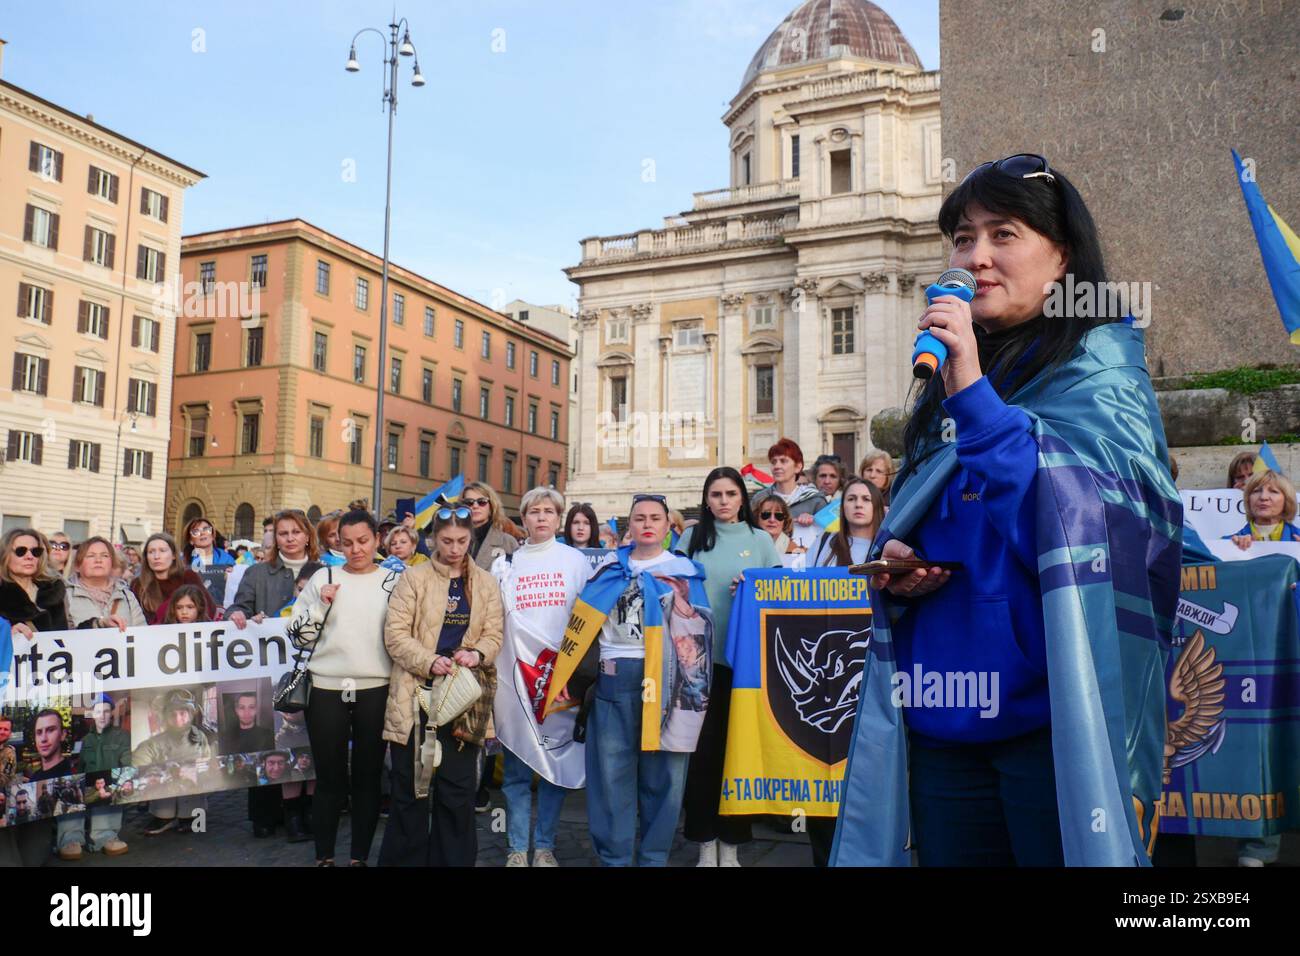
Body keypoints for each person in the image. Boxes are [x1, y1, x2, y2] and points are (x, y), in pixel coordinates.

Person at [835, 154, 1181, 868]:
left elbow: (1103, 531)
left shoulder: (1100, 368)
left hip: (1053, 723)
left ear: (1061, 259)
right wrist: (906, 560)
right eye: (963, 238)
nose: (977, 258)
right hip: (942, 719)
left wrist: (973, 394)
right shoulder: (948, 388)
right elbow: (954, 518)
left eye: (1004, 234)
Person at [561, 494, 712, 866]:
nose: (647, 523)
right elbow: (582, 628)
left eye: (655, 518)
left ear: (667, 526)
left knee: (664, 781)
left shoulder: (685, 573)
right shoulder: (608, 569)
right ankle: (614, 860)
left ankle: (653, 859)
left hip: (669, 685)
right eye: (639, 517)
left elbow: (700, 640)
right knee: (611, 781)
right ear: (629, 526)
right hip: (615, 682)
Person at [379, 506, 503, 867]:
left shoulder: (486, 582)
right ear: (433, 539)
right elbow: (395, 635)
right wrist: (428, 659)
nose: (454, 548)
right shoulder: (413, 578)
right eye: (447, 541)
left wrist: (477, 653)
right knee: (411, 789)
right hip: (414, 695)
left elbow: (494, 633)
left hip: (463, 698)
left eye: (462, 541)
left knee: (458, 791)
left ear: (471, 539)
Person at [678, 468, 781, 867]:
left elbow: (779, 590)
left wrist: (752, 586)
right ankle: (705, 842)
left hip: (745, 664)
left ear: (743, 499)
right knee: (703, 757)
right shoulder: (691, 538)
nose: (723, 500)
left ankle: (732, 845)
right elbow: (674, 588)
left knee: (739, 754)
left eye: (730, 493)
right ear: (707, 500)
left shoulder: (760, 540)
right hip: (699, 665)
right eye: (716, 494)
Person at [285, 509, 397, 866]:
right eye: (346, 543)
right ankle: (324, 856)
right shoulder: (323, 577)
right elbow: (296, 636)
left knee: (367, 777)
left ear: (378, 539)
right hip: (327, 688)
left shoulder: (394, 581)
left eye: (363, 541)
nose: (356, 549)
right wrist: (320, 604)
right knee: (329, 777)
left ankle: (359, 857)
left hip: (376, 688)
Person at [490, 487, 592, 867]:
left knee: (554, 765)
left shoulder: (576, 561)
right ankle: (517, 847)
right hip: (516, 680)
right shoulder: (506, 565)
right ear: (524, 518)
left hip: (560, 678)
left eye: (549, 511)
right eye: (534, 511)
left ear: (559, 517)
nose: (542, 518)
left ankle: (544, 845)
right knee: (516, 766)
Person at [228, 509, 320, 839]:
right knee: (272, 742)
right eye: (283, 533)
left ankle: (306, 812)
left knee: (309, 743)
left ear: (307, 535)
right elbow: (238, 607)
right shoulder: (257, 572)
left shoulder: (325, 571)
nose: (291, 538)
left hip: (315, 671)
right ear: (275, 538)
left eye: (296, 531)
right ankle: (269, 815)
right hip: (270, 671)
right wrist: (239, 615)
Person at [61, 696, 130, 858]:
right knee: (70, 793)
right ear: (93, 714)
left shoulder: (122, 736)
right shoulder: (86, 740)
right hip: (87, 783)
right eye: (99, 711)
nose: (102, 715)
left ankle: (106, 836)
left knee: (110, 791)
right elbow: (80, 766)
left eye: (106, 711)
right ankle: (71, 839)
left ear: (111, 713)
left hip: (109, 784)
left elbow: (127, 761)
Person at [750, 439, 824, 550]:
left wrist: (815, 519)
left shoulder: (815, 500)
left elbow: (828, 533)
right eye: (774, 462)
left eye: (783, 461)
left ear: (798, 467)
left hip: (804, 562)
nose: (777, 466)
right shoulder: (760, 499)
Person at [64, 538, 148, 631]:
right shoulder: (66, 596)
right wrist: (99, 624)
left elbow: (141, 633)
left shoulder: (127, 595)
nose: (98, 560)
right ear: (77, 566)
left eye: (104, 555)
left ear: (112, 563)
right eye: (91, 556)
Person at [0, 528, 69, 638]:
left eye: (35, 551)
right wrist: (5, 635)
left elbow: (68, 635)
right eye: (20, 551)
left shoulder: (54, 590)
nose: (29, 557)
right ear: (5, 556)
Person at [133, 532, 211, 625]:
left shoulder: (188, 577)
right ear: (146, 557)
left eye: (162, 550)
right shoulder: (137, 584)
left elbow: (208, 610)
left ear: (174, 555)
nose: (156, 556)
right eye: (151, 552)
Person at [813, 477, 885, 568]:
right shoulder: (824, 539)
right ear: (842, 506)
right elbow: (803, 578)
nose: (858, 505)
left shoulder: (886, 547)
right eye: (851, 499)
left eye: (866, 499)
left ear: (876, 506)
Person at [1226, 469, 1299, 550]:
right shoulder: (1226, 543)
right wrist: (1233, 549)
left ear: (1287, 500)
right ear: (1248, 500)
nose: (1263, 497)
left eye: (1273, 491)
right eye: (1256, 491)